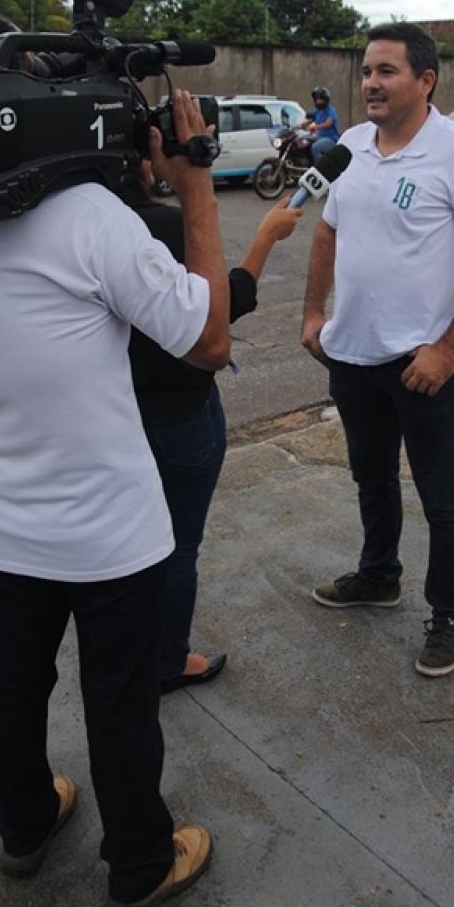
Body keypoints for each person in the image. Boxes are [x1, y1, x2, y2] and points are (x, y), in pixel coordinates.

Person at [0, 4, 232, 907]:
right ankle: (138, 867)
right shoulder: (88, 217)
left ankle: (26, 824)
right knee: (119, 704)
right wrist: (194, 183)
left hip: (3, 523)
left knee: (16, 680)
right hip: (112, 533)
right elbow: (205, 339)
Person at [301, 22, 454, 677]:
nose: (370, 82)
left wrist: (449, 348)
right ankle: (378, 576)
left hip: (423, 367)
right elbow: (326, 234)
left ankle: (451, 613)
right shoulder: (348, 146)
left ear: (425, 81)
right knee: (370, 477)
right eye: (367, 70)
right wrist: (314, 313)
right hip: (351, 357)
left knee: (440, 493)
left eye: (386, 71)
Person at [120, 164, 302, 693]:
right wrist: (265, 236)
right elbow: (216, 322)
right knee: (175, 547)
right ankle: (165, 660)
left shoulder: (61, 226)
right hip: (177, 419)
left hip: (104, 418)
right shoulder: (160, 227)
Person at [302, 86, 340, 164]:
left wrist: (313, 127)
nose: (318, 101)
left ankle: (319, 170)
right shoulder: (317, 111)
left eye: (320, 100)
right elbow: (309, 121)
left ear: (325, 100)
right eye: (317, 99)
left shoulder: (331, 110)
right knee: (302, 142)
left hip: (331, 139)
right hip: (319, 137)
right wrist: (300, 126)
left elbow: (328, 124)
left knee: (315, 147)